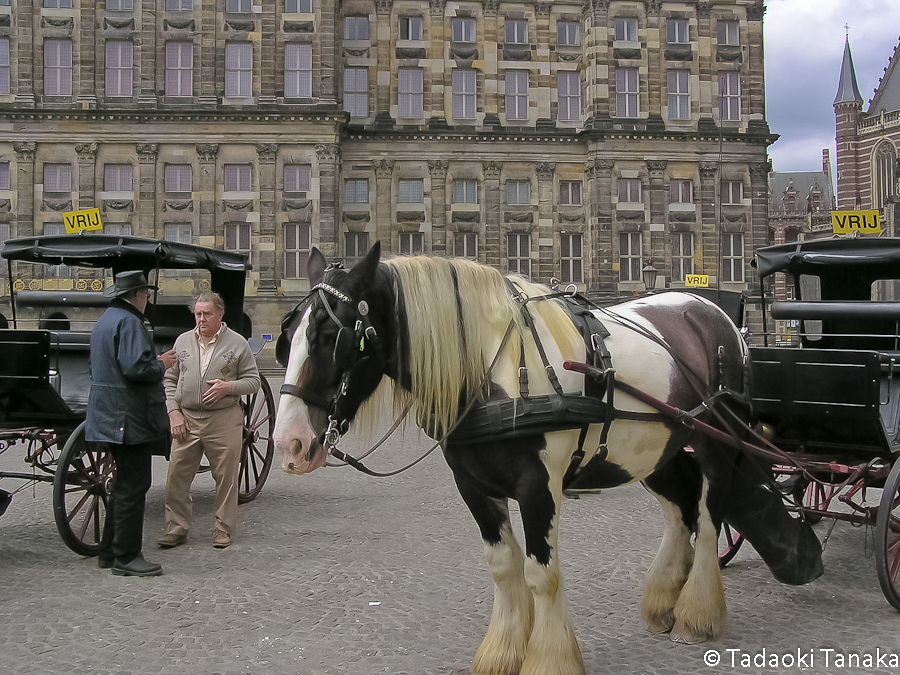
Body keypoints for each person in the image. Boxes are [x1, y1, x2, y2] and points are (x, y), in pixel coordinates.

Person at [86, 270, 177, 577]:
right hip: (129, 417)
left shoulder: (106, 319)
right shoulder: (130, 322)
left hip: (107, 415)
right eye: (145, 294)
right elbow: (136, 368)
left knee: (122, 484)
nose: (146, 299)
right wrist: (161, 364)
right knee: (133, 486)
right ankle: (127, 556)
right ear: (138, 295)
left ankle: (110, 552)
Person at [159, 291, 260, 549]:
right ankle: (176, 528)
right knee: (176, 477)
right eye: (198, 314)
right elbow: (170, 381)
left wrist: (229, 387)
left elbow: (254, 381)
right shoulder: (182, 341)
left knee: (226, 478)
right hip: (187, 419)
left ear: (220, 314)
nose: (201, 319)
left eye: (207, 314)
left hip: (224, 419)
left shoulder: (238, 344)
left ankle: (223, 529)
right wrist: (174, 412)